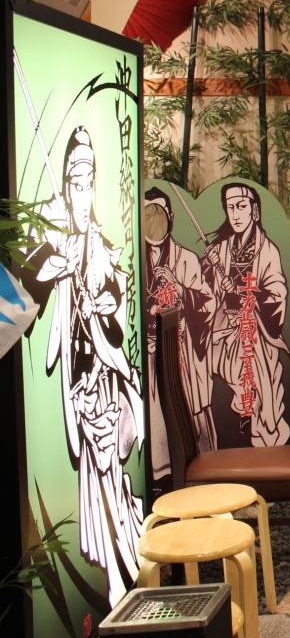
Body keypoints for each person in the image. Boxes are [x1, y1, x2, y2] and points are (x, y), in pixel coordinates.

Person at [20, 128, 143, 605]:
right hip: (78, 380)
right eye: (75, 179)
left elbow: (118, 298)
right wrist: (59, 262)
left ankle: (124, 563)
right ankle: (115, 571)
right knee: (95, 471)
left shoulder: (100, 242)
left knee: (109, 470)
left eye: (88, 180)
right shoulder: (54, 231)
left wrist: (105, 303)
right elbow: (27, 281)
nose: (81, 188)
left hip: (104, 373)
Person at [202, 183, 290, 446]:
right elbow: (205, 288)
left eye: (241, 206)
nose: (236, 214)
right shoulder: (222, 249)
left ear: (254, 210)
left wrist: (243, 291)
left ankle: (266, 438)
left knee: (263, 392)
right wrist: (211, 267)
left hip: (256, 330)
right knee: (212, 360)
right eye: (230, 208)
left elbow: (277, 292)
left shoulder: (267, 250)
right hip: (227, 329)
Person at [143, 187, 216, 468]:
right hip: (150, 354)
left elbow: (208, 303)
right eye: (147, 214)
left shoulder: (185, 259)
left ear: (170, 218)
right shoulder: (134, 259)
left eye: (159, 213)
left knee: (194, 417)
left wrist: (181, 290)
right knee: (155, 419)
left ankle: (209, 472)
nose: (154, 220)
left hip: (182, 350)